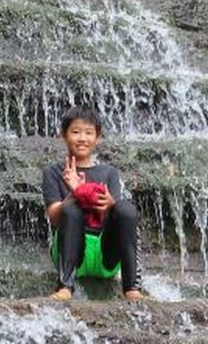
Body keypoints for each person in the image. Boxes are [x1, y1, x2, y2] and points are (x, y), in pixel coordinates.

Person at [41, 106, 144, 301]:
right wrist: (75, 193)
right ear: (63, 135)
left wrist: (110, 205)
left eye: (89, 133)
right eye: (76, 132)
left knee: (125, 208)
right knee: (72, 207)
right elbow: (54, 218)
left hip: (105, 256)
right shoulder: (53, 172)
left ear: (97, 138)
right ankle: (65, 286)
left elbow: (117, 218)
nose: (82, 138)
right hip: (72, 255)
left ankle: (132, 288)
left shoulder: (109, 173)